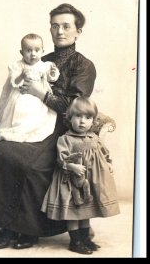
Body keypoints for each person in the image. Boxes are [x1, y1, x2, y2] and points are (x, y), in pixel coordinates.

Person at [0, 3, 97, 250]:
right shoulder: (39, 57)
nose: (60, 31)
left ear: (78, 31)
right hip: (32, 124)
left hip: (63, 131)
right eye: (55, 26)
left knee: (30, 162)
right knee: (2, 151)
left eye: (66, 26)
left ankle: (27, 230)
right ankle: (5, 228)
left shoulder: (83, 65)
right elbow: (15, 88)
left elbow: (75, 107)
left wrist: (43, 94)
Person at [41, 97, 120, 254]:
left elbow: (103, 153)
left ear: (92, 120)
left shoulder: (94, 138)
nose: (82, 121)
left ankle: (86, 239)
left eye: (87, 117)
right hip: (71, 182)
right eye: (78, 116)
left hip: (90, 181)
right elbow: (61, 159)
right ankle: (75, 241)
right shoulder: (66, 139)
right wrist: (72, 166)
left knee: (86, 212)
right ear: (70, 118)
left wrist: (108, 163)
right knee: (74, 213)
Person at [0, 33, 60, 143]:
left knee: (36, 114)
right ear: (21, 52)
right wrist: (21, 76)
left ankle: (31, 133)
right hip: (21, 96)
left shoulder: (43, 65)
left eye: (37, 50)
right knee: (20, 111)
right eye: (28, 50)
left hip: (38, 97)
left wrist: (53, 73)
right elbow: (14, 82)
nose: (33, 54)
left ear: (42, 51)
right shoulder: (18, 66)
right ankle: (17, 132)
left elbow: (50, 79)